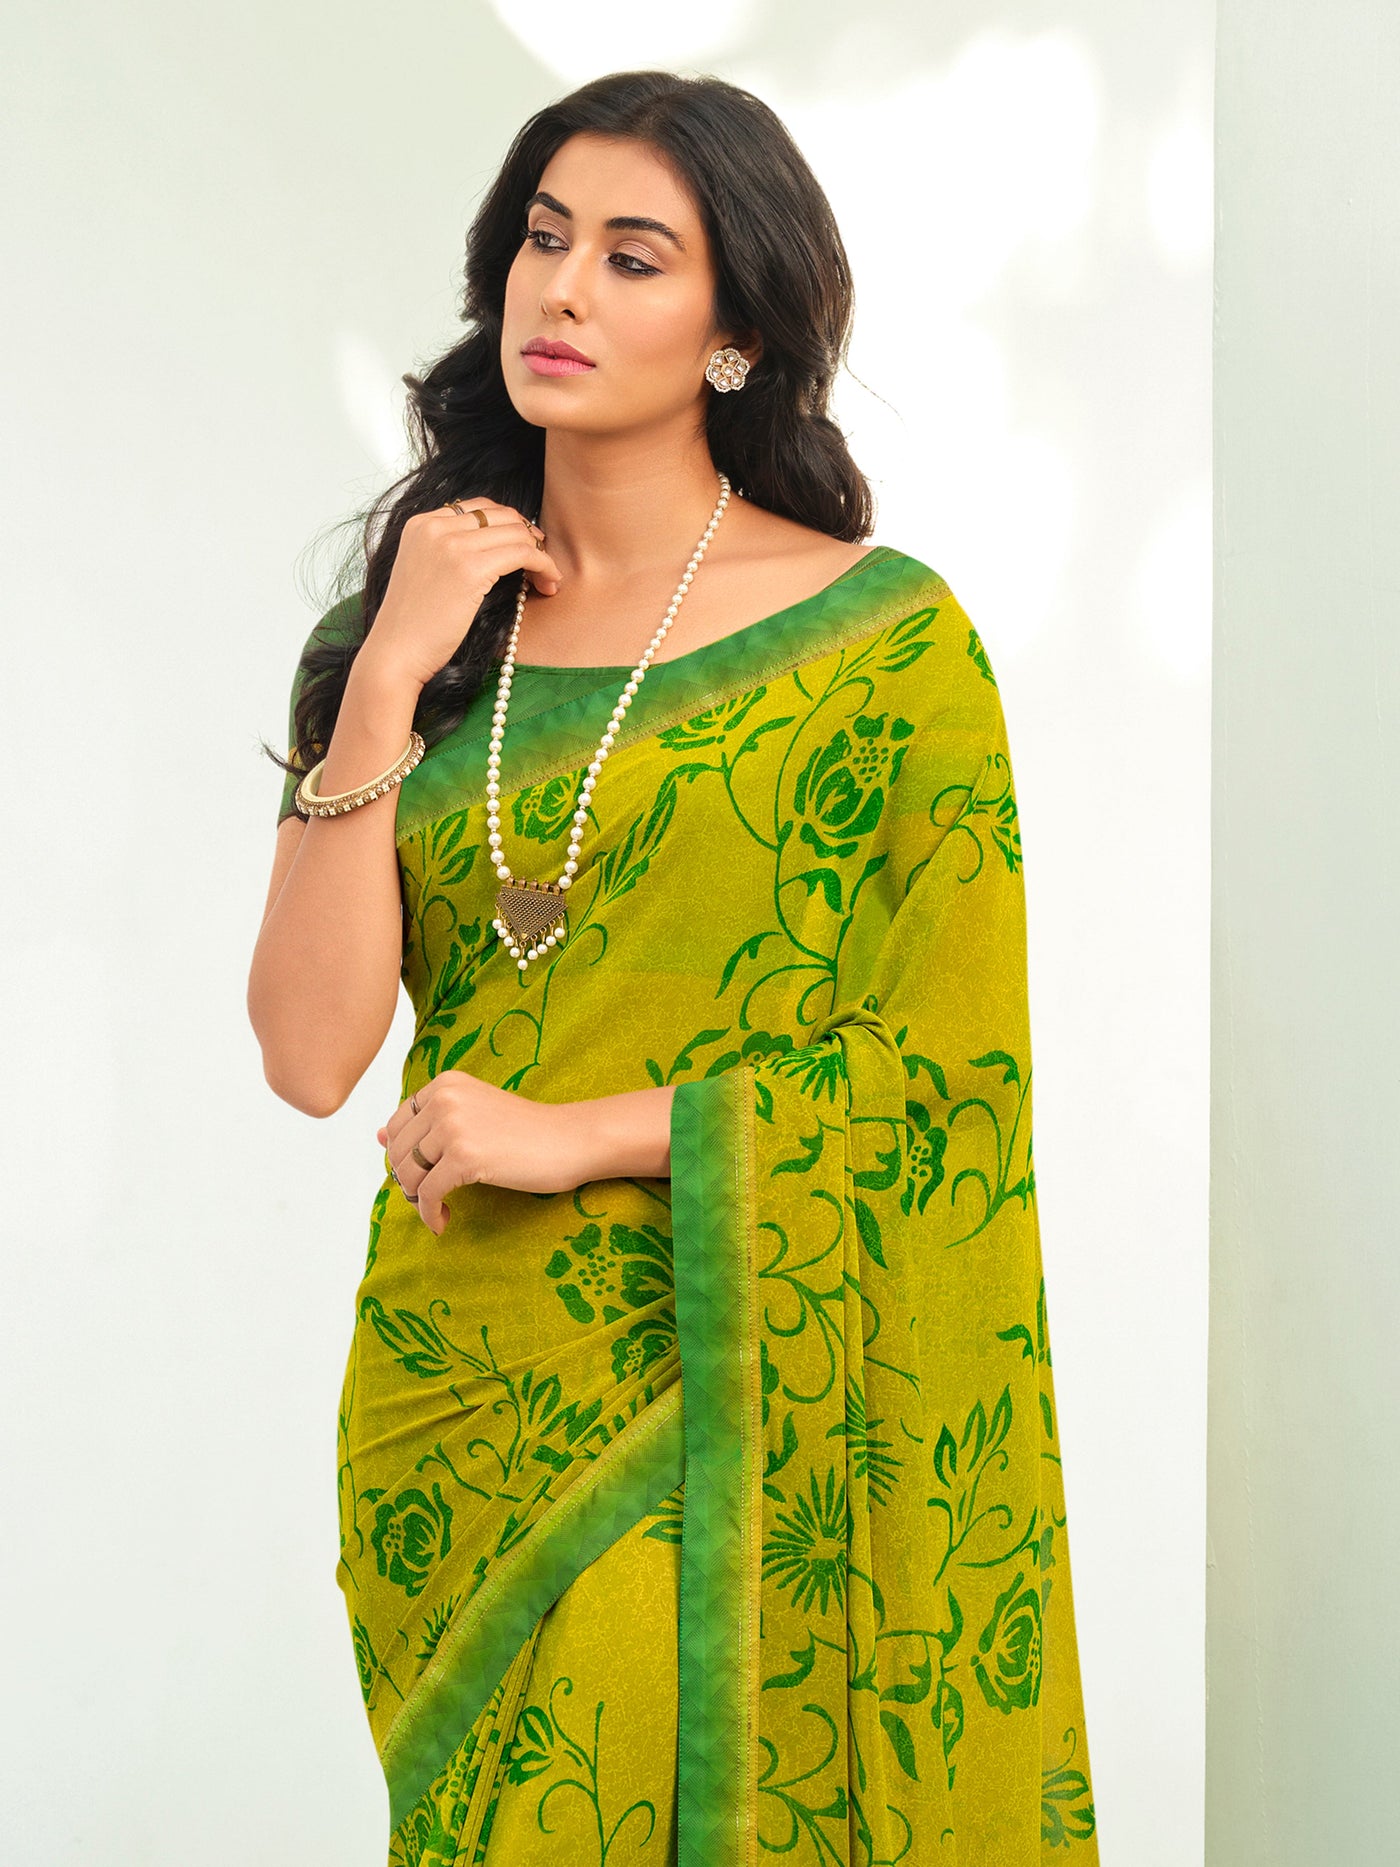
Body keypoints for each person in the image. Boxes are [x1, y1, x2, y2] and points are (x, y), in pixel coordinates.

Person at [247, 68, 1099, 1867]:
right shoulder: (405, 638)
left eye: (633, 259)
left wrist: (577, 1134)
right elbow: (312, 1055)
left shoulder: (882, 649)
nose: (562, 290)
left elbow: (947, 1086)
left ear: (737, 335)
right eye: (544, 240)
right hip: (452, 1395)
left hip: (718, 1373)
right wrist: (386, 679)